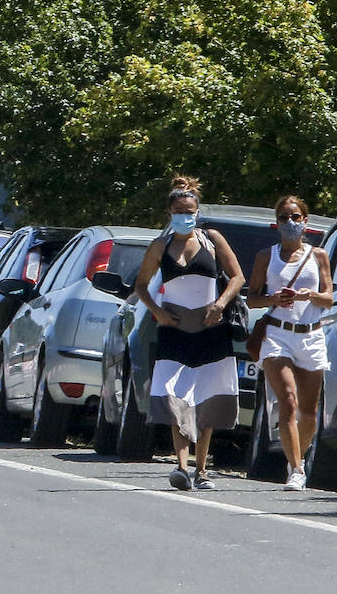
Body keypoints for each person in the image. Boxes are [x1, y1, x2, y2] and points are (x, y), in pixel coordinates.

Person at [133, 175, 245, 491]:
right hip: (175, 331)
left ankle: (201, 469)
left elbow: (237, 277)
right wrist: (157, 311)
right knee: (173, 396)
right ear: (170, 213)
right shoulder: (161, 246)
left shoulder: (212, 239)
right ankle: (181, 467)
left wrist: (220, 305)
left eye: (190, 210)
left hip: (211, 330)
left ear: (197, 211)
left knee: (206, 398)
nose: (186, 215)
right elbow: (141, 284)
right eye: (180, 210)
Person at [247, 195, 333, 491]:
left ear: (305, 221)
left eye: (295, 217)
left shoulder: (318, 256)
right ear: (277, 223)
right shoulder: (265, 257)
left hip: (310, 334)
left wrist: (310, 295)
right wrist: (274, 299)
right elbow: (252, 297)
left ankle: (299, 455)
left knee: (308, 411)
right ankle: (296, 470)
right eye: (284, 218)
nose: (290, 223)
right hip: (277, 335)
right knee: (288, 401)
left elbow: (329, 298)